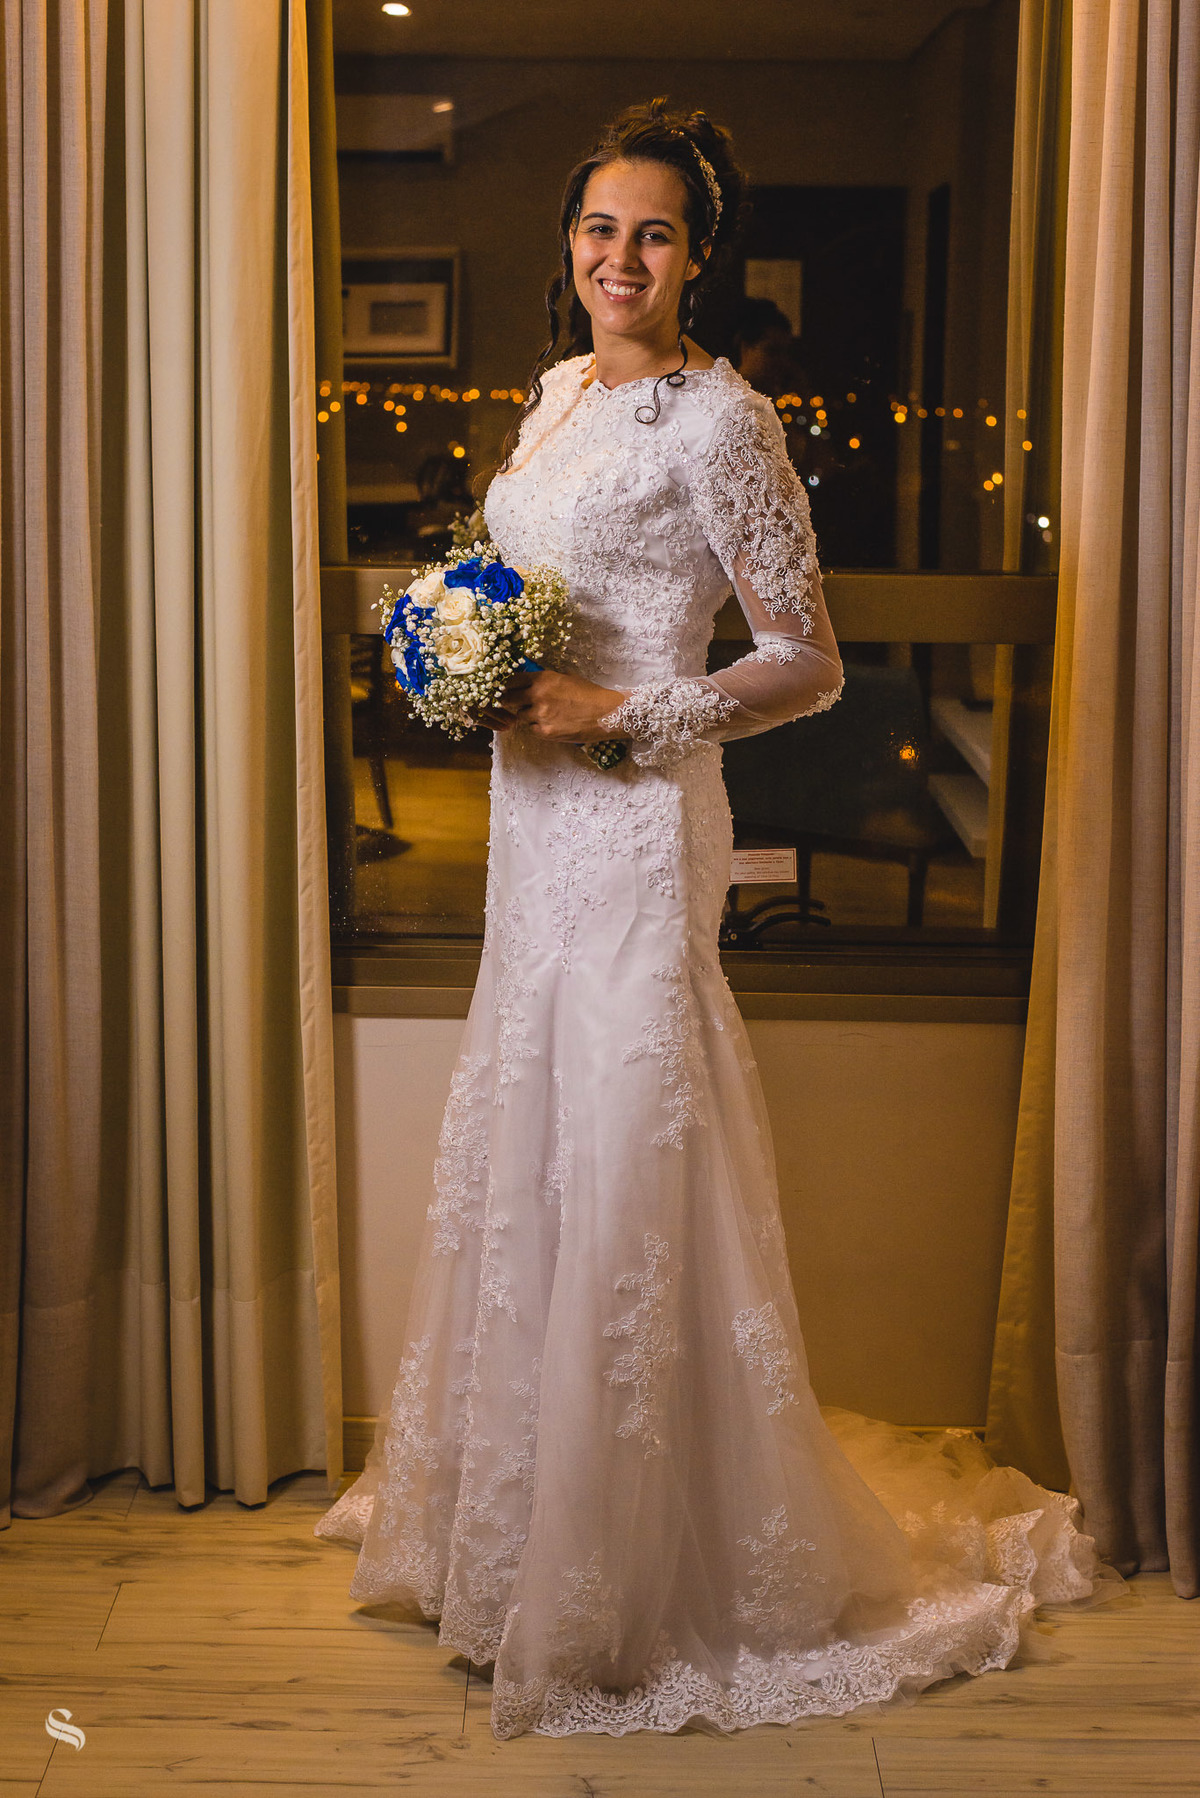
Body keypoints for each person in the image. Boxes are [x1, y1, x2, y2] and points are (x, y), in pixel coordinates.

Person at [315, 98, 1118, 1740]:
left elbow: (805, 660)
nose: (620, 257)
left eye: (655, 234)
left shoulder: (724, 422)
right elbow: (517, 583)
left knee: (627, 1144)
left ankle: (621, 1573)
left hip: (633, 824)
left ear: (699, 255)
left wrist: (622, 709)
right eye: (599, 228)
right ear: (571, 242)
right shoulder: (555, 395)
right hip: (531, 833)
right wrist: (463, 652)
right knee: (533, 1131)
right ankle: (504, 1542)